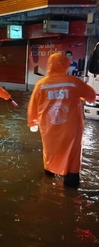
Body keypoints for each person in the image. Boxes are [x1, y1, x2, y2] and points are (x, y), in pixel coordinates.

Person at [27, 53, 96, 188]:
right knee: (73, 158)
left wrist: (32, 122)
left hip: (49, 128)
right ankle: (70, 191)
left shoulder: (41, 84)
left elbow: (33, 107)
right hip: (71, 130)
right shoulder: (73, 82)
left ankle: (47, 185)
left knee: (50, 153)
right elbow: (92, 97)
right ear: (65, 64)